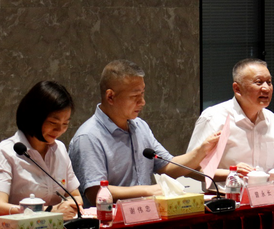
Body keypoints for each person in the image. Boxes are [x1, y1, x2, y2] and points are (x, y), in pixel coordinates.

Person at [68, 60, 220, 206]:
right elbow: (95, 192)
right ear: (110, 97)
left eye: (142, 94)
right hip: (109, 220)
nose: (142, 102)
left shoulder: (140, 126)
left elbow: (167, 167)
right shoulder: (88, 137)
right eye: (135, 96)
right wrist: (148, 191)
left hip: (146, 215)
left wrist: (201, 151)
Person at [0, 81, 82, 220]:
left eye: (65, 124)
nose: (59, 130)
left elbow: (76, 196)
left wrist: (69, 206)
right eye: (53, 123)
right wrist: (50, 211)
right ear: (34, 116)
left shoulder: (60, 149)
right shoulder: (4, 153)